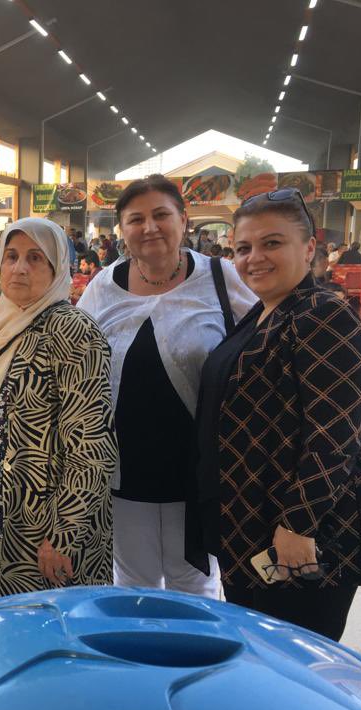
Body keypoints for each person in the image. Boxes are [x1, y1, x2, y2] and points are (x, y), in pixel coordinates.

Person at [192, 189, 361, 641]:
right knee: (258, 654)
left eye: (272, 243)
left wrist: (297, 525)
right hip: (248, 526)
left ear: (309, 248)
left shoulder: (323, 314)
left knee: (295, 662)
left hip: (299, 538)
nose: (254, 258)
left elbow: (336, 433)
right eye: (243, 248)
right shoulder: (262, 314)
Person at [77, 174, 256, 598]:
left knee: (195, 588)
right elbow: (76, 352)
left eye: (161, 215)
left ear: (183, 220)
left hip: (196, 471)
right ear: (122, 229)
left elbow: (265, 335)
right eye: (136, 219)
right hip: (124, 472)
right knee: (132, 590)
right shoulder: (104, 285)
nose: (149, 227)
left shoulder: (220, 276)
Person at [0, 218, 115, 603]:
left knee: (36, 630)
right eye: (11, 257)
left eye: (35, 258)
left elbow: (92, 446)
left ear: (57, 267)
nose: (19, 268)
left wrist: (64, 535)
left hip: (38, 533)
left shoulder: (73, 331)